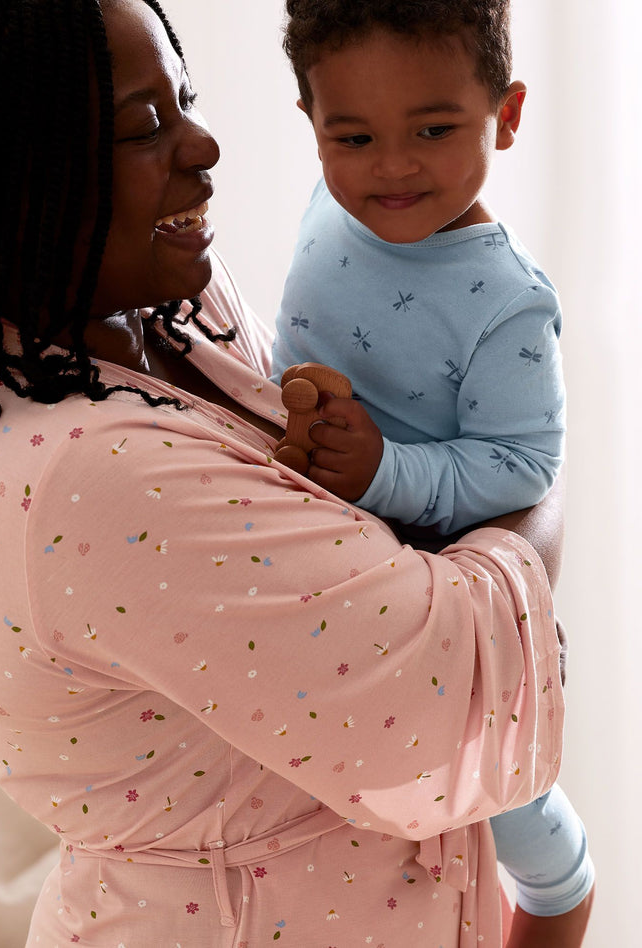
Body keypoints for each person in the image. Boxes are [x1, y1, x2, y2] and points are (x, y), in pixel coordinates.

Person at [0, 0, 579, 945]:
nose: (205, 145)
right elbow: (448, 679)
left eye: (184, 100)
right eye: (145, 126)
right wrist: (535, 469)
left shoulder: (166, 314)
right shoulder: (88, 477)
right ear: (9, 177)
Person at [271, 0, 594, 943]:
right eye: (354, 137)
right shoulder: (330, 204)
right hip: (333, 575)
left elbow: (524, 465)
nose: (393, 167)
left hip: (452, 608)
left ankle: (561, 887)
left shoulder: (507, 301)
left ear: (507, 114)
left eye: (434, 130)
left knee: (508, 807)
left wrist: (385, 470)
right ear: (312, 124)